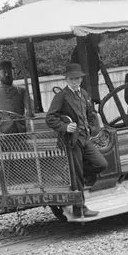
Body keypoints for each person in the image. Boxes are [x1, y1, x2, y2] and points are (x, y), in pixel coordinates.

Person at [45, 63, 108, 217]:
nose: (75, 81)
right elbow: (50, 118)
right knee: (76, 174)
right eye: (72, 79)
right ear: (67, 79)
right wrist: (65, 127)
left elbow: (91, 113)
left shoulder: (84, 94)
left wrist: (93, 128)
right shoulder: (61, 96)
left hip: (85, 138)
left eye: (78, 78)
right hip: (71, 141)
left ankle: (75, 175)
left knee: (101, 164)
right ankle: (80, 208)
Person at [0, 59, 33, 135]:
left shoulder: (21, 91)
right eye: (4, 72)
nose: (7, 74)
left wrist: (30, 111)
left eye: (9, 72)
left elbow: (31, 107)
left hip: (20, 134)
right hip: (0, 136)